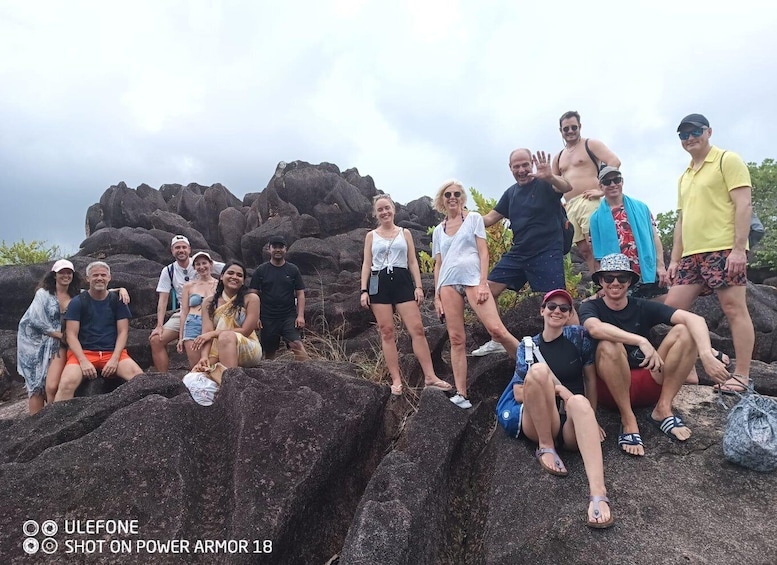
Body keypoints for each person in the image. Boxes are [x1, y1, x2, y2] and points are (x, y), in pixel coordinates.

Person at [578, 254, 730, 456]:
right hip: (612, 388)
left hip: (650, 380)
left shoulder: (641, 305)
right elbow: (595, 329)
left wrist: (706, 353)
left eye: (622, 278)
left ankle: (663, 409)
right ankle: (628, 420)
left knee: (685, 331)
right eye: (609, 278)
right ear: (600, 282)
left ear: (630, 281)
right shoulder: (590, 307)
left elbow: (694, 319)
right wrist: (641, 340)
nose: (615, 283)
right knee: (608, 344)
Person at [501, 289, 612, 528]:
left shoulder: (578, 338)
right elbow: (520, 393)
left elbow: (591, 379)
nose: (557, 311)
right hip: (542, 419)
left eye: (564, 308)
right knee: (539, 372)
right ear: (542, 310)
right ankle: (546, 447)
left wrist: (592, 419)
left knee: (580, 402)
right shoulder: (528, 347)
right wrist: (559, 390)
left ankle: (598, 493)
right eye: (552, 306)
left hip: (572, 422)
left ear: (570, 314)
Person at [666, 113, 755, 394]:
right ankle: (690, 362)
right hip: (692, 255)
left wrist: (739, 249)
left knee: (733, 309)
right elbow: (682, 220)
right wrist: (675, 260)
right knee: (670, 309)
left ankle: (741, 375)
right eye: (684, 134)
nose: (690, 138)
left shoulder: (727, 160)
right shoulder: (684, 175)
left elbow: (744, 203)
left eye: (695, 132)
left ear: (709, 132)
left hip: (723, 247)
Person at [472, 148, 574, 357]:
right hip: (519, 253)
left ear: (531, 164)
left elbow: (566, 186)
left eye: (525, 164)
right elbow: (491, 218)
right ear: (510, 169)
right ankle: (497, 339)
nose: (521, 170)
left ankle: (576, 342)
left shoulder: (545, 183)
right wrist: (464, 220)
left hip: (547, 251)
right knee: (486, 291)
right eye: (516, 166)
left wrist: (551, 176)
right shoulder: (511, 193)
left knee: (558, 300)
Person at [432, 179, 518, 409]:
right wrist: (437, 296)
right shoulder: (439, 231)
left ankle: (530, 367)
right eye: (448, 194)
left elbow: (483, 252)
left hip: (472, 280)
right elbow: (438, 264)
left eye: (457, 194)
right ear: (442, 199)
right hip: (448, 284)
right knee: (457, 339)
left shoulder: (474, 219)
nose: (452, 198)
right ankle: (461, 393)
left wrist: (482, 283)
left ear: (462, 198)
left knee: (497, 330)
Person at [359, 195, 452, 395]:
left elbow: (412, 262)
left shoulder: (405, 233)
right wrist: (364, 290)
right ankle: (396, 380)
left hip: (402, 281)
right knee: (387, 331)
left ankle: (430, 376)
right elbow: (367, 264)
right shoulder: (371, 236)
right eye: (380, 209)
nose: (384, 212)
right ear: (376, 213)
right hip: (378, 282)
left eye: (387, 208)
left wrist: (418, 287)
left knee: (417, 329)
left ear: (393, 209)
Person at [55, 262, 142, 401]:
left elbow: (123, 332)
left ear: (109, 278)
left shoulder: (117, 301)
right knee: (66, 384)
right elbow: (71, 335)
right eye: (95, 275)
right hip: (83, 353)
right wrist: (83, 361)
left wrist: (114, 359)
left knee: (140, 379)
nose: (99, 278)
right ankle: (54, 422)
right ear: (88, 279)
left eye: (103, 275)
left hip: (112, 353)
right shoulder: (78, 302)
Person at [552, 110, 621, 276]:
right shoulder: (558, 157)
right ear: (560, 130)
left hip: (589, 200)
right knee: (583, 249)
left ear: (580, 127)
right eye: (566, 129)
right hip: (570, 207)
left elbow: (614, 161)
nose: (570, 131)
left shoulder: (590, 145)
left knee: (596, 243)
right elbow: (554, 185)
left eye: (573, 127)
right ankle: (599, 283)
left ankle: (611, 278)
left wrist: (601, 190)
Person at [589, 166, 668, 300]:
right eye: (607, 182)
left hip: (646, 270)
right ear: (600, 186)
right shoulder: (595, 218)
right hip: (619, 277)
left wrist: (660, 266)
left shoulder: (641, 207)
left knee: (658, 310)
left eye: (616, 180)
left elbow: (654, 237)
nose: (613, 184)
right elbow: (597, 254)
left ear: (622, 182)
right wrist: (602, 284)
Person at [149, 235, 224, 372]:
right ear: (172, 251)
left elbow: (231, 271)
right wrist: (159, 325)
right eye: (177, 248)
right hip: (186, 312)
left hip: (211, 313)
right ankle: (164, 380)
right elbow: (163, 299)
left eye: (184, 247)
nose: (181, 250)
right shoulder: (169, 271)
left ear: (189, 249)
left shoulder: (200, 261)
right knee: (155, 340)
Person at [249, 236, 310, 362]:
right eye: (274, 247)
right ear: (269, 249)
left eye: (280, 247)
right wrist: (256, 317)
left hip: (288, 316)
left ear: (285, 249)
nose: (278, 250)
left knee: (296, 345)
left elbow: (300, 294)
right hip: (267, 317)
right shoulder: (261, 271)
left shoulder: (293, 270)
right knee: (269, 353)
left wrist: (300, 316)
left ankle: (312, 374)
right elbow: (253, 295)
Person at [192, 261, 262, 370]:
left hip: (247, 348)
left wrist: (213, 333)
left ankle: (231, 381)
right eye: (230, 273)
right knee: (197, 373)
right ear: (221, 276)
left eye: (239, 275)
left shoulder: (251, 299)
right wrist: (204, 356)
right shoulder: (209, 302)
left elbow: (246, 331)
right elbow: (206, 333)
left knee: (226, 336)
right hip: (219, 349)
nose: (234, 277)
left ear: (243, 281)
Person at [178, 251, 219, 368]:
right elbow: (184, 311)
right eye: (198, 264)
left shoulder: (219, 285)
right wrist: (181, 337)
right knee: (196, 366)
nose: (201, 267)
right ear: (194, 267)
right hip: (192, 322)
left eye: (204, 263)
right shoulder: (189, 286)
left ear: (210, 264)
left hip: (212, 324)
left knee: (212, 363)